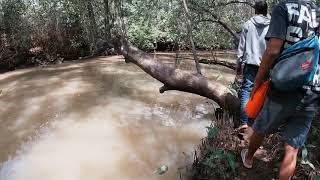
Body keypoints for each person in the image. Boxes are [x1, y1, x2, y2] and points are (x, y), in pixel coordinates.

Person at [241, 0, 319, 179]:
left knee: (261, 127)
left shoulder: (283, 8)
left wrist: (257, 82)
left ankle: (249, 158)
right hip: (313, 87)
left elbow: (273, 50)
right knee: (292, 150)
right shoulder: (317, 12)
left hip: (285, 85)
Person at [236, 0, 270, 130]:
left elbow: (242, 47)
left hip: (250, 63)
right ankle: (257, 124)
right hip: (265, 65)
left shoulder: (248, 24)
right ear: (266, 11)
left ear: (255, 10)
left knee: (247, 91)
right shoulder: (271, 25)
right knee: (262, 92)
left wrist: (238, 64)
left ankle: (244, 123)